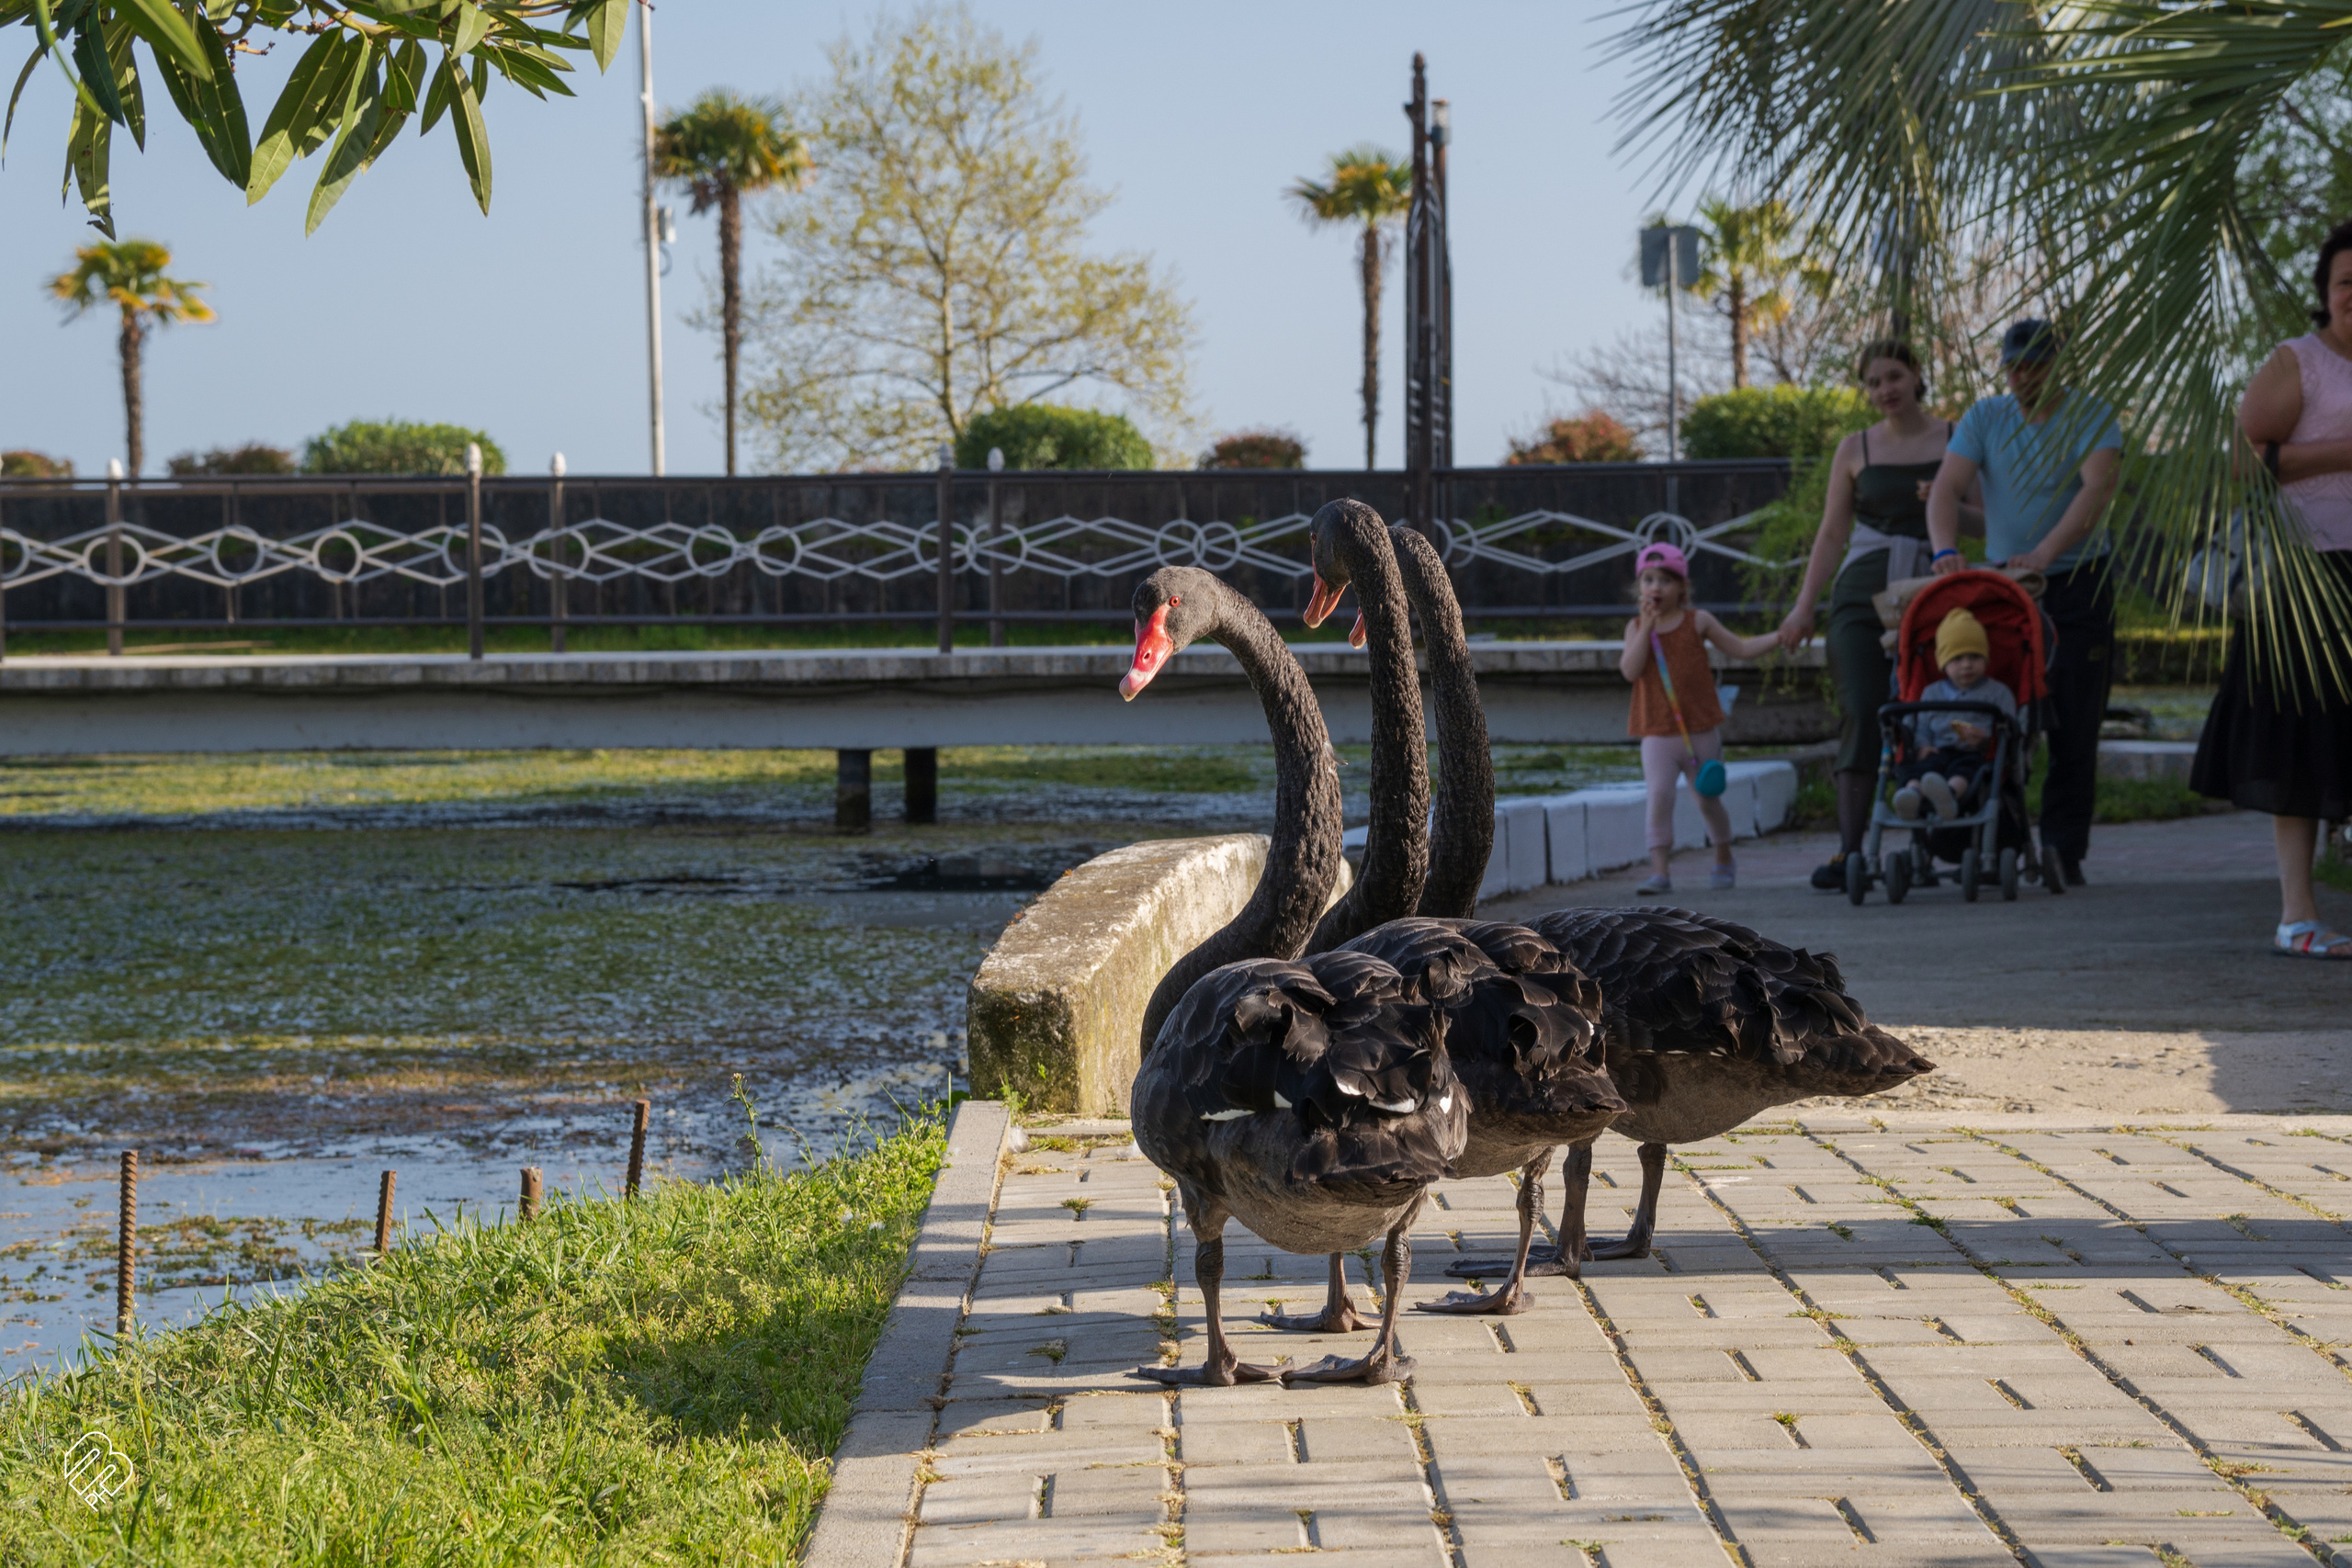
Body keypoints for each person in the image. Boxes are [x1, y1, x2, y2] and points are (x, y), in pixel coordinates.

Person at [2191, 219, 2352, 957]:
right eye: (2347, 282)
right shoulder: (2300, 361)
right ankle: (2298, 916)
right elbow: (2242, 458)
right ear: (2325, 292)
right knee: (2298, 749)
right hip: (2305, 581)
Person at [1774, 339, 1980, 891]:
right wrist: (1802, 607)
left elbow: (1983, 522)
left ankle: (1939, 845)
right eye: (1872, 382)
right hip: (1862, 593)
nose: (1884, 389)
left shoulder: (1957, 435)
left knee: (1933, 708)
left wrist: (1945, 500)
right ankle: (1851, 853)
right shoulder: (1854, 447)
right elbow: (1832, 532)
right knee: (1864, 708)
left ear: (1916, 375)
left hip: (1934, 591)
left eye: (1893, 376)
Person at [1928, 319, 2123, 886]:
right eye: (2014, 365)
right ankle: (1998, 843)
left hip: (2078, 581)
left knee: (2075, 724)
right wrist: (1944, 549)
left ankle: (2065, 850)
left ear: (2059, 365)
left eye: (2035, 364)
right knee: (1996, 716)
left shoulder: (2092, 414)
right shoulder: (1985, 417)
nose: (2021, 375)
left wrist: (2045, 551)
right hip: (2005, 590)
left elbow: (2097, 487)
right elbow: (1945, 487)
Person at [1622, 542, 1779, 895]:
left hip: (1700, 728)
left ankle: (1723, 855)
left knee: (1707, 798)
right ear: (1639, 588)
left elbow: (1739, 648)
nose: (1656, 588)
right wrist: (1646, 627)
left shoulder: (1699, 621)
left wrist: (1778, 638)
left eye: (1665, 580)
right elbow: (1630, 671)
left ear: (1682, 588)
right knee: (1659, 796)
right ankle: (1660, 872)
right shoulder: (1635, 627)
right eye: (1648, 580)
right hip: (1657, 731)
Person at [1893, 607, 2018, 821]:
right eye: (1957, 659)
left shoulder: (1997, 692)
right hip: (1938, 750)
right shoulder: (1931, 693)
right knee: (1920, 769)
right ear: (1943, 663)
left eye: (1974, 657)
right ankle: (1911, 795)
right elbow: (1921, 725)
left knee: (1965, 770)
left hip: (1973, 752)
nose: (1967, 665)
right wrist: (1922, 746)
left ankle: (1948, 797)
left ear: (1986, 658)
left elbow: (2010, 727)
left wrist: (1986, 740)